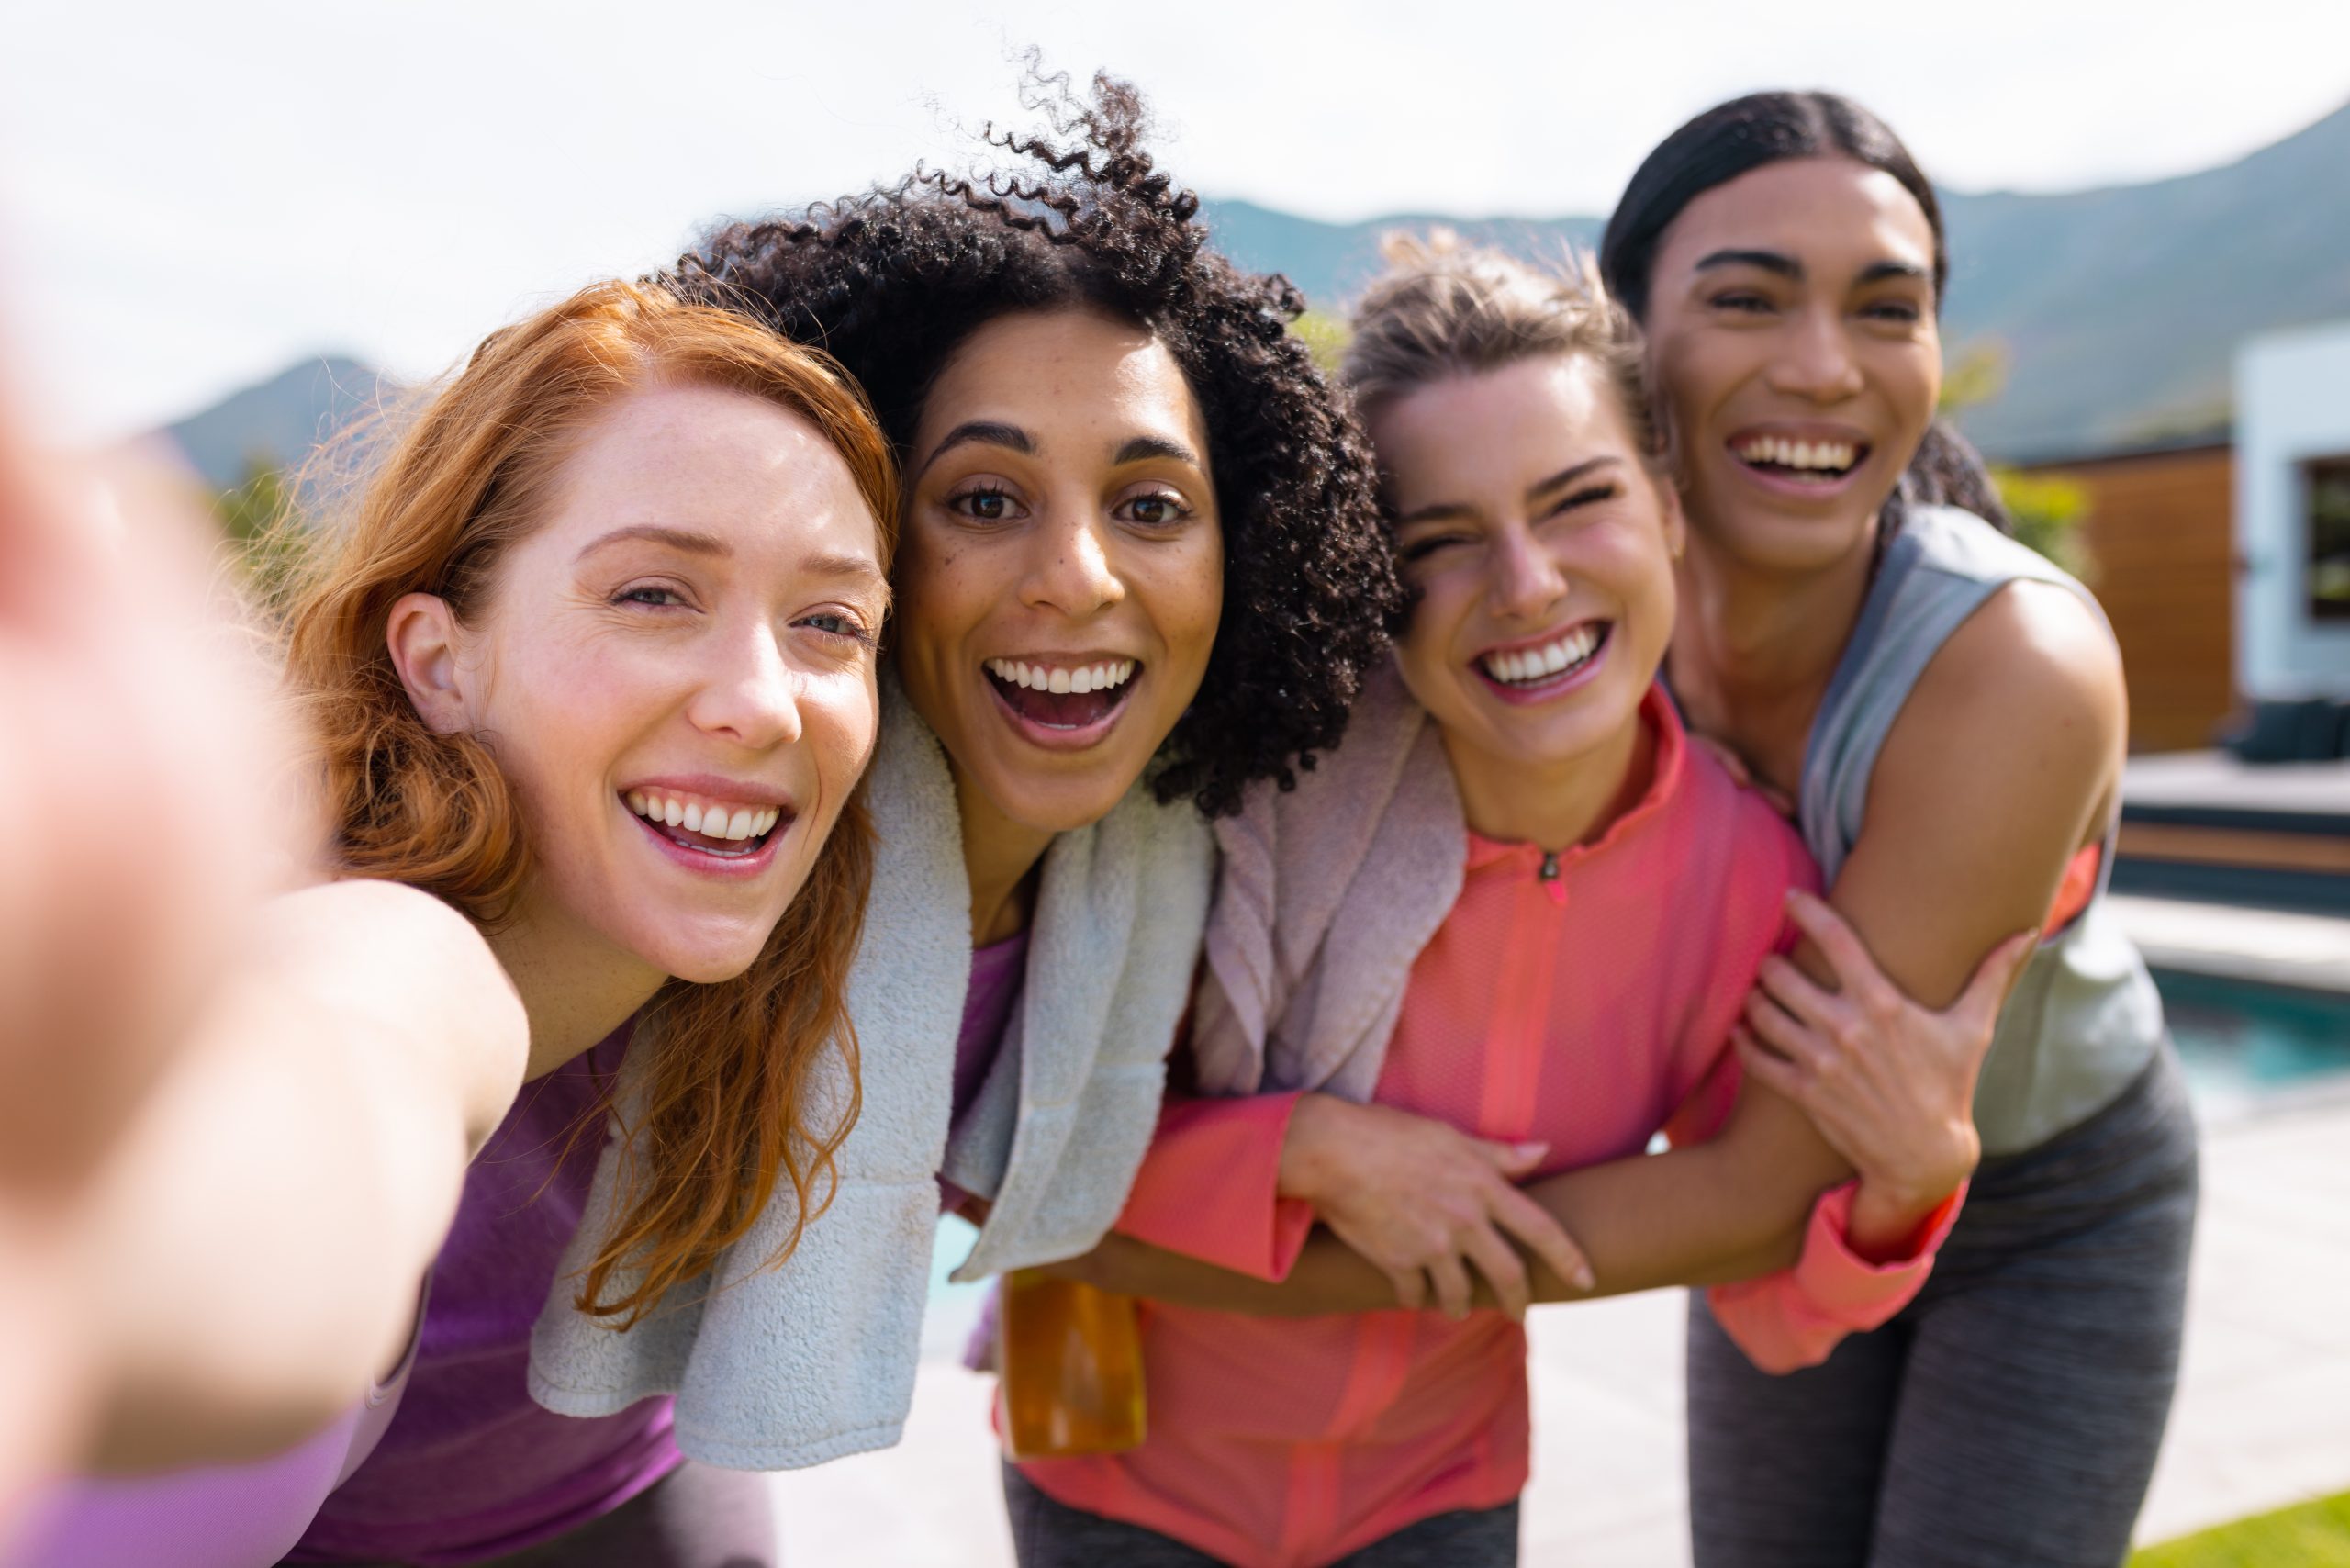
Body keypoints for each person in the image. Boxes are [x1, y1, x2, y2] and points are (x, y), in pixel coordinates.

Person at [297, 67, 1402, 1565]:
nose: (1079, 576)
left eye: (1151, 506)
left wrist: (1296, 1149)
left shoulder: (1153, 882)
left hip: (620, 1485)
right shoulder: (654, 840)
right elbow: (347, 1024)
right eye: (985, 499)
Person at [994, 239, 2031, 1568]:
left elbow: (1774, 1311)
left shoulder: (1755, 887)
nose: (1528, 584)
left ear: (1669, 507)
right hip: (1123, 1477)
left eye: (1577, 501)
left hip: (1442, 1490)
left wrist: (1911, 1182)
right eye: (1442, 540)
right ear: (1371, 581)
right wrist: (1306, 1149)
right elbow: (1019, 1137)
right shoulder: (1243, 800)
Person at [9, 279, 901, 1568]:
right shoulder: (393, 945)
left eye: (829, 623)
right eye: (654, 595)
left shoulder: (815, 975)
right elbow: (326, 1100)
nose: (763, 702)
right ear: (438, 661)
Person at [1601, 91, 2199, 1568]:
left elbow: (1765, 1185)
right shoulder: (1573, 630)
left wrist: (1284, 1250)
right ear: (1624, 339)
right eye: (1747, 299)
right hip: (1762, 1201)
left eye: (1887, 308)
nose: (1824, 367)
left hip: (2047, 1212)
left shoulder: (2013, 663)